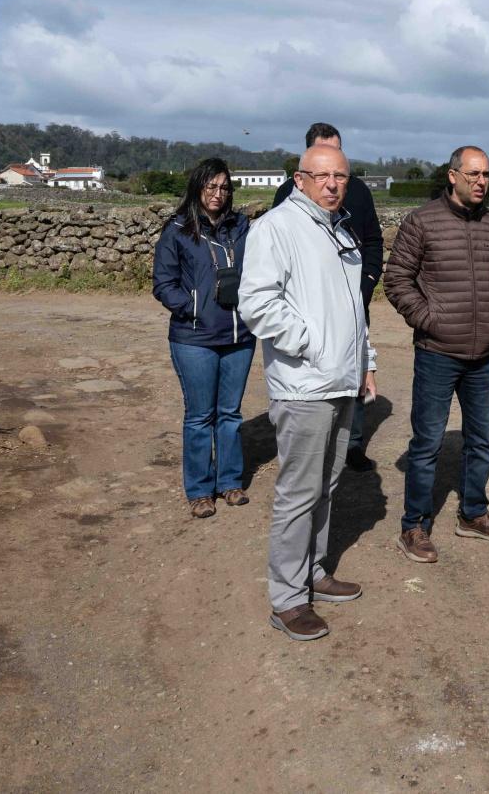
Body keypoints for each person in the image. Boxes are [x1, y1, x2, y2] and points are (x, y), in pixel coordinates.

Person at [240, 143, 381, 641]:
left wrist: (365, 361)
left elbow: (353, 308)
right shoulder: (276, 228)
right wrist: (310, 343)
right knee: (298, 493)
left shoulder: (339, 229)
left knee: (327, 485)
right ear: (299, 180)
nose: (332, 184)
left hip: (341, 380)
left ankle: (313, 571)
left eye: (340, 176)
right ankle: (287, 599)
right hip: (304, 384)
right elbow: (257, 302)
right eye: (321, 176)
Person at [383, 145, 489, 563]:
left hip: (483, 356)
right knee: (427, 443)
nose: (482, 181)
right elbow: (397, 279)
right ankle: (414, 526)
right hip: (437, 353)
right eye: (473, 174)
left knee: (480, 441)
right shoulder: (422, 221)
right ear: (452, 175)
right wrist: (430, 320)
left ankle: (473, 513)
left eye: (487, 175)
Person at [274, 122, 385, 471]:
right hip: (310, 308)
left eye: (338, 154)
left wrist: (365, 284)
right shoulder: (286, 197)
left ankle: (352, 443)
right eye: (324, 162)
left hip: (353, 300)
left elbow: (373, 241)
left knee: (355, 366)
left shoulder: (359, 192)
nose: (333, 180)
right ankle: (310, 441)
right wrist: (303, 335)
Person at [150, 158, 254, 519]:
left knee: (230, 413)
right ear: (197, 188)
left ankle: (229, 482)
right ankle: (199, 490)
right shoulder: (177, 230)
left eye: (224, 187)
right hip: (194, 338)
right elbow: (163, 284)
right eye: (211, 186)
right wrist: (193, 307)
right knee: (199, 416)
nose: (217, 194)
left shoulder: (242, 228)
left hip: (239, 336)